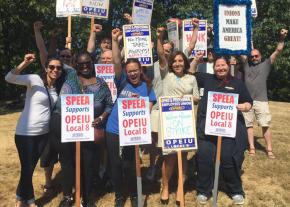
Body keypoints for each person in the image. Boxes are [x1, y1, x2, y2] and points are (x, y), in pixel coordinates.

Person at [191, 55, 253, 205]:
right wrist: (196, 60)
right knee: (204, 158)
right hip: (207, 127)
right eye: (217, 66)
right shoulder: (207, 79)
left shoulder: (237, 83)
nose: (220, 68)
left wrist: (245, 106)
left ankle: (236, 190)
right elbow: (191, 71)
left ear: (228, 66)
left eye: (223, 65)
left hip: (229, 128)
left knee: (228, 159)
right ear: (213, 68)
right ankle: (204, 190)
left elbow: (248, 102)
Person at [5, 54, 66, 207]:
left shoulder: (56, 88)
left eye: (58, 68)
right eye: (52, 67)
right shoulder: (34, 79)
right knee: (27, 167)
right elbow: (9, 78)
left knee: (29, 168)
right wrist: (24, 63)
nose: (55, 70)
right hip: (25, 133)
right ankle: (31, 201)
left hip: (43, 134)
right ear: (46, 68)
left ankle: (20, 197)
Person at [106, 28, 156, 207]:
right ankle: (119, 195)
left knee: (130, 163)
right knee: (115, 164)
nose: (132, 73)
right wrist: (114, 41)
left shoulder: (148, 88)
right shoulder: (122, 82)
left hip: (132, 132)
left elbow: (147, 111)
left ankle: (135, 194)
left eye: (135, 70)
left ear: (140, 70)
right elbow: (116, 61)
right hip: (113, 128)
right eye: (129, 71)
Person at [157, 19, 200, 206]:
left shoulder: (191, 79)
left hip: (185, 122)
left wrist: (196, 29)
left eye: (180, 61)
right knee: (170, 156)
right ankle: (165, 186)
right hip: (169, 122)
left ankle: (181, 189)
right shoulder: (166, 74)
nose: (177, 63)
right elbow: (160, 54)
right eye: (174, 61)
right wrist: (159, 37)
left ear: (185, 63)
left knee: (183, 155)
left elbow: (197, 97)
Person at [242, 28, 288, 158]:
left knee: (265, 125)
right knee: (248, 125)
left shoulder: (266, 64)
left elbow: (278, 50)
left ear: (260, 56)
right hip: (247, 101)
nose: (254, 58)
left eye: (256, 56)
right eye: (252, 56)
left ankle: (269, 149)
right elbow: (238, 50)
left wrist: (282, 38)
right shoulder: (246, 64)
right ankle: (251, 147)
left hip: (261, 100)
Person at [75, 51, 113, 207]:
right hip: (75, 130)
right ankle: (76, 193)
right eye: (81, 64)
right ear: (76, 65)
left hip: (95, 130)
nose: (85, 66)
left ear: (92, 64)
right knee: (76, 164)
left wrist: (102, 117)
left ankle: (88, 198)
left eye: (87, 63)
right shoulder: (71, 81)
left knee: (91, 164)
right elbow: (62, 103)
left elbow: (110, 104)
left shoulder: (101, 83)